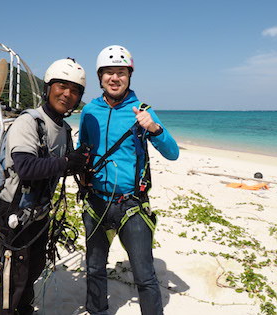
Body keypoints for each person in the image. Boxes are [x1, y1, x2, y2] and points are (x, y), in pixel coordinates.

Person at [78, 45, 179, 315]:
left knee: (144, 274)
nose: (114, 78)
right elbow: (82, 152)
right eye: (108, 73)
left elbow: (173, 153)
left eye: (120, 73)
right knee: (95, 268)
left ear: (129, 76)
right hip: (96, 202)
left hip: (131, 205)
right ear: (100, 77)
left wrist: (154, 129)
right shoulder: (89, 111)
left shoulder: (143, 110)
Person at [0, 58, 88, 315]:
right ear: (48, 88)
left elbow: (62, 166)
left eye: (75, 90)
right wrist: (67, 161)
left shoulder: (64, 129)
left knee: (33, 269)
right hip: (13, 213)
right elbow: (26, 167)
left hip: (39, 214)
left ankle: (25, 310)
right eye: (61, 86)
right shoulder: (29, 122)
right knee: (15, 276)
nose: (67, 94)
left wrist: (80, 165)